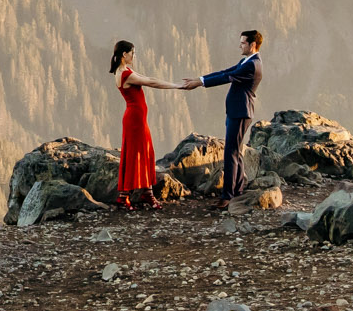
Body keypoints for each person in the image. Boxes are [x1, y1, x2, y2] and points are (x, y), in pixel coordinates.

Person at [179, 29, 264, 203]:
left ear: (252, 44)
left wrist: (200, 84)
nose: (239, 45)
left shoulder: (252, 65)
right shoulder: (246, 60)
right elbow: (225, 71)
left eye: (243, 42)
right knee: (235, 151)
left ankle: (227, 196)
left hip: (240, 112)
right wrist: (200, 79)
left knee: (230, 153)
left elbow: (227, 77)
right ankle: (237, 189)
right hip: (237, 111)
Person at [109, 39, 180, 209]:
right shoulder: (125, 74)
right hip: (135, 120)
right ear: (124, 54)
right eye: (132, 53)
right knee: (135, 154)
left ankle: (147, 193)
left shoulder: (124, 71)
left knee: (144, 152)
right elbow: (151, 82)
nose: (134, 55)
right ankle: (125, 196)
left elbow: (148, 78)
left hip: (137, 118)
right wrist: (175, 86)